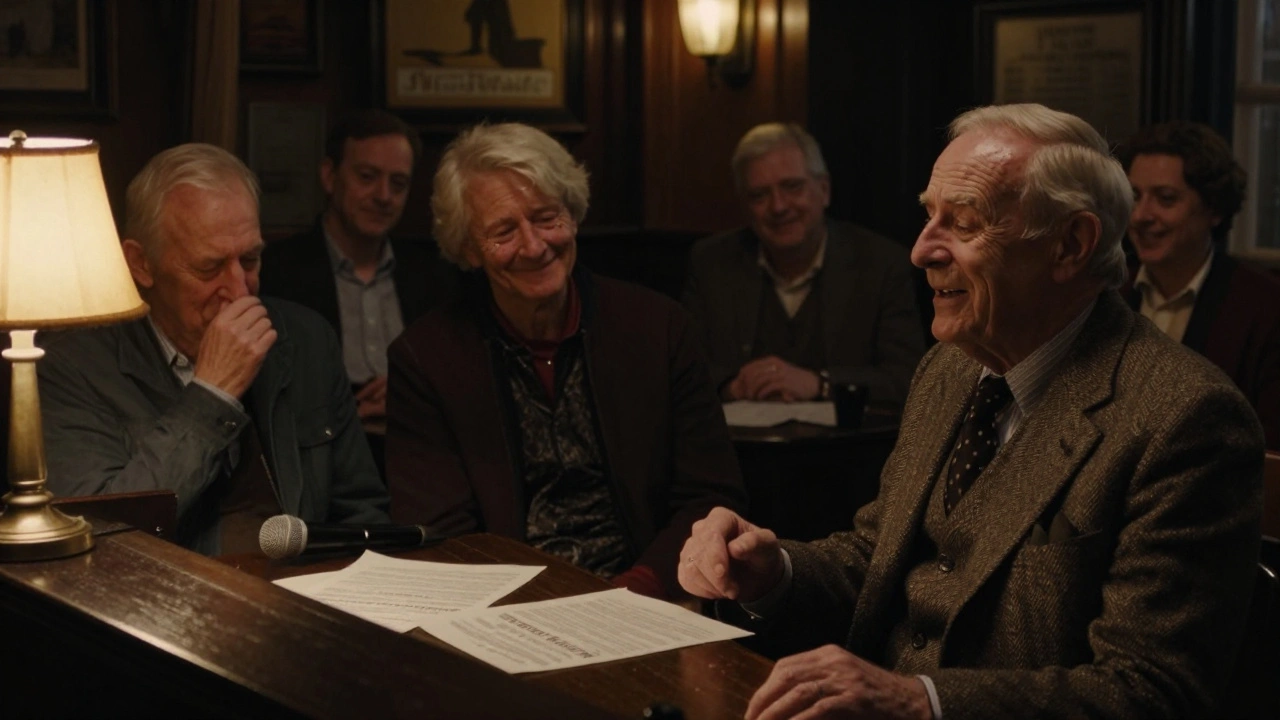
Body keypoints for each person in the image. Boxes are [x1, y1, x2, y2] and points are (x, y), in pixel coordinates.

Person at [678, 104, 1263, 719]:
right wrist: (774, 573)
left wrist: (921, 702)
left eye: (965, 223)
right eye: (928, 216)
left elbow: (1152, 691)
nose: (921, 250)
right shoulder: (950, 368)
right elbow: (878, 559)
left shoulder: (1188, 418)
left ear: (1071, 244)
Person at [386, 122, 746, 600]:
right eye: (503, 231)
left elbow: (710, 496)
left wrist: (638, 589)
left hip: (656, 597)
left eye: (546, 217)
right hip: (501, 611)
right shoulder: (426, 359)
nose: (534, 246)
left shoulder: (659, 330)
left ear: (573, 215)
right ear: (469, 250)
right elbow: (439, 533)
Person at [40, 144, 390, 556]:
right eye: (209, 268)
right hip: (162, 603)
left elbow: (363, 513)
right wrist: (211, 396)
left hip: (303, 594)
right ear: (141, 264)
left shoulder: (306, 338)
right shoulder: (71, 366)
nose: (239, 290)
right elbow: (101, 536)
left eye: (251, 259)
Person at [683, 122, 924, 409]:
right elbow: (682, 372)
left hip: (850, 451)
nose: (778, 207)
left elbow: (908, 379)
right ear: (745, 207)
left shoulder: (880, 264)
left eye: (792, 187)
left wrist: (819, 383)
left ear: (823, 190)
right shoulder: (711, 263)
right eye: (759, 195)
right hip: (742, 449)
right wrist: (732, 386)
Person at [259, 110, 458, 425]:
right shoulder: (275, 271)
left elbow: (458, 374)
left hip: (415, 447)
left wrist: (412, 390)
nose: (383, 196)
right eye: (367, 176)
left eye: (398, 183)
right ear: (329, 176)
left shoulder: (436, 277)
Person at [1117, 121, 1280, 448]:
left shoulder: (1265, 308)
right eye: (1134, 196)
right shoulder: (1105, 291)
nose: (1140, 216)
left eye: (1165, 198)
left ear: (1214, 209)